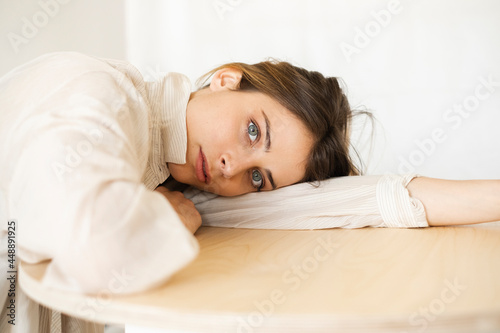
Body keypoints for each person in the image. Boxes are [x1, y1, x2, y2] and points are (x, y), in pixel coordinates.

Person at [0, 52, 498, 333]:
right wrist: (178, 221)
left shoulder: (175, 171)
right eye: (254, 130)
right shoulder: (104, 97)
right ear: (225, 80)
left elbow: (356, 201)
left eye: (259, 178)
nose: (232, 167)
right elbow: (97, 249)